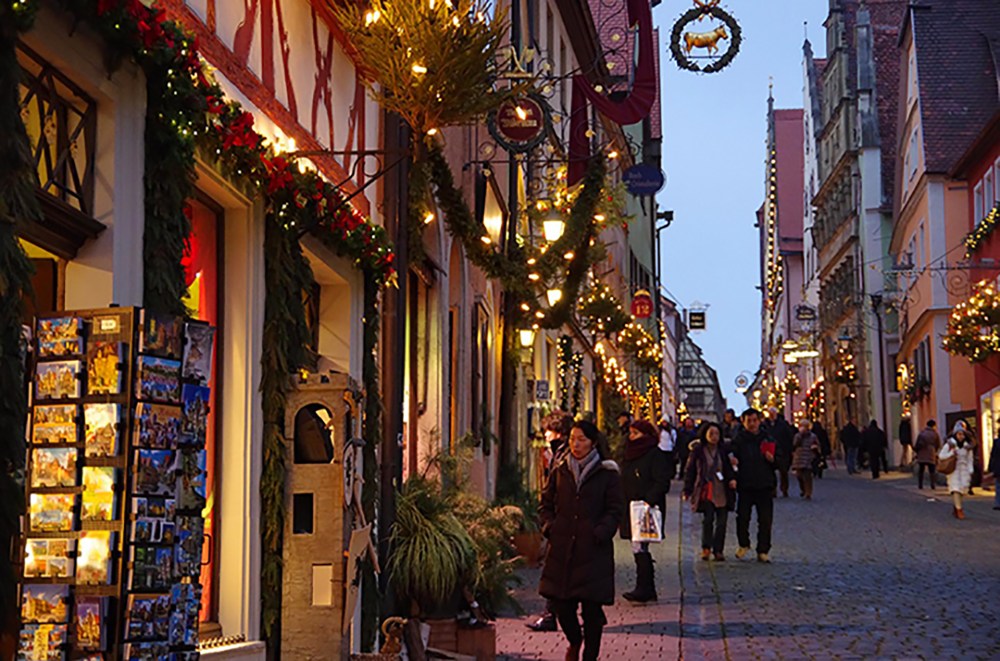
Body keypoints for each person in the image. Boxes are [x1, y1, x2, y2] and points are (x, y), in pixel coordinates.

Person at [539, 421, 623, 661]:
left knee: (592, 611)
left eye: (582, 439)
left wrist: (602, 531)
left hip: (593, 550)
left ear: (593, 442)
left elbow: (615, 509)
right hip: (563, 549)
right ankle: (575, 641)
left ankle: (589, 657)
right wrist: (549, 527)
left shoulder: (607, 473)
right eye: (573, 439)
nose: (576, 444)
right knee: (563, 607)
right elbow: (546, 503)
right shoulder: (561, 469)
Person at [527, 411, 574, 632]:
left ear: (558, 432)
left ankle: (553, 616)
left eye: (548, 430)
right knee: (558, 571)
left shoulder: (565, 454)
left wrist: (552, 522)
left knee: (557, 570)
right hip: (560, 521)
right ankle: (552, 614)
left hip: (563, 522)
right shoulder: (559, 452)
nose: (545, 434)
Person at [620, 419, 671, 603]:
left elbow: (662, 480)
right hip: (631, 506)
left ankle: (644, 587)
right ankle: (646, 587)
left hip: (645, 507)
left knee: (639, 546)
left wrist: (649, 499)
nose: (631, 437)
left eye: (636, 433)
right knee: (638, 546)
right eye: (631, 433)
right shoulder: (629, 453)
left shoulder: (654, 454)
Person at [682, 422, 737, 561]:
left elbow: (728, 468)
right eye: (711, 434)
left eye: (717, 434)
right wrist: (687, 489)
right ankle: (706, 548)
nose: (714, 437)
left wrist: (732, 479)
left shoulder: (723, 450)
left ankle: (718, 550)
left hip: (722, 489)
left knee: (722, 522)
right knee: (708, 520)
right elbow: (691, 471)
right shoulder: (698, 451)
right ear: (705, 434)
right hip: (706, 489)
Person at [731, 408, 777, 563]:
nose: (752, 424)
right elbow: (730, 457)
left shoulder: (767, 438)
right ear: (743, 422)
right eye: (748, 421)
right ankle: (744, 544)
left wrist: (773, 459)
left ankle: (763, 550)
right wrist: (733, 463)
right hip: (745, 484)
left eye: (754, 420)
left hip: (765, 484)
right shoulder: (738, 440)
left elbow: (781, 459)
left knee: (765, 520)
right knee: (742, 518)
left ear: (759, 421)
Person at [938, 421, 975, 519]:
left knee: (962, 490)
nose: (961, 436)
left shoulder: (968, 447)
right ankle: (959, 510)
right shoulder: (950, 445)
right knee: (955, 489)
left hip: (964, 470)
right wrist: (951, 454)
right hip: (953, 469)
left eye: (962, 434)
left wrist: (970, 470)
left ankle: (956, 507)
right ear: (955, 434)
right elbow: (941, 456)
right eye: (959, 434)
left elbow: (970, 459)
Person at [792, 419, 820, 499]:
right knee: (799, 475)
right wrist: (800, 436)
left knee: (807, 476)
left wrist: (815, 449)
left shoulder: (813, 436)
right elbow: (795, 444)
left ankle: (808, 492)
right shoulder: (797, 436)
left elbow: (817, 444)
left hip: (808, 457)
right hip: (799, 457)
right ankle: (803, 489)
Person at [769, 409, 795, 497]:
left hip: (783, 451)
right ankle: (773, 490)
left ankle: (784, 489)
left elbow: (789, 437)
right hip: (771, 451)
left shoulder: (783, 425)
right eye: (770, 414)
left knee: (783, 472)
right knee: (770, 472)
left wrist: (790, 449)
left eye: (772, 413)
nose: (771, 415)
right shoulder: (766, 425)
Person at [914, 419, 942, 490]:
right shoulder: (935, 434)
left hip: (922, 453)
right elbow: (938, 444)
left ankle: (920, 485)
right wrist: (935, 451)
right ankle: (932, 485)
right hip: (931, 453)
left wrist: (917, 452)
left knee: (921, 470)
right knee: (932, 470)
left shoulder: (922, 433)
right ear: (933, 426)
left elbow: (917, 444)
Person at [988, 438, 1000, 511]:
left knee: (998, 486)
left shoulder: (996, 442)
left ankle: (998, 503)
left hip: (998, 467)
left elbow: (993, 456)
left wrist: (991, 467)